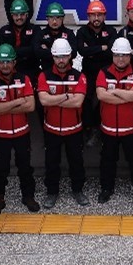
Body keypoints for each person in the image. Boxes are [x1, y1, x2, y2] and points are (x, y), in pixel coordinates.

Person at [0, 43, 38, 216]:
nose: (5, 65)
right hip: (1, 134)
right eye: (1, 61)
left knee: (25, 167)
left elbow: (30, 106)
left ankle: (28, 196)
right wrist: (17, 102)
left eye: (8, 61)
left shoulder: (24, 79)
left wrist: (5, 106)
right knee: (0, 168)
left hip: (22, 132)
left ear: (15, 62)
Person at [36, 38, 89, 208]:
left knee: (77, 162)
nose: (61, 60)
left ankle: (78, 190)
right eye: (58, 57)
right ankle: (52, 193)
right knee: (51, 163)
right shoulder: (44, 75)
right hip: (51, 129)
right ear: (52, 56)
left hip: (74, 129)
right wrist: (66, 96)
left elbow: (78, 102)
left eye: (64, 56)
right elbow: (43, 101)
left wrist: (54, 100)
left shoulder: (79, 76)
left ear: (70, 56)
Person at [96, 37, 133, 206]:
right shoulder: (103, 72)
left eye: (124, 55)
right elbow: (101, 95)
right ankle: (106, 189)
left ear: (130, 56)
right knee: (107, 162)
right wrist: (125, 94)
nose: (120, 59)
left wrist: (114, 92)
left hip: (131, 129)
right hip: (108, 129)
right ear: (112, 55)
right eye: (117, 55)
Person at [76, 0, 115, 141]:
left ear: (104, 16)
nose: (96, 18)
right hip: (88, 72)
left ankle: (97, 126)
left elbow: (111, 52)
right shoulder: (82, 31)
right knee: (85, 98)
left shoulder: (111, 31)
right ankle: (88, 127)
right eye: (93, 15)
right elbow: (82, 51)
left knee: (103, 99)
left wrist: (92, 50)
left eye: (99, 15)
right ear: (88, 16)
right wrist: (101, 47)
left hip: (106, 72)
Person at [0, 0, 41, 86]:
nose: (19, 17)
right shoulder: (3, 30)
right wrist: (25, 51)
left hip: (30, 68)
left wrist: (11, 51)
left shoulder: (35, 29)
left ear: (27, 15)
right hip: (8, 69)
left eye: (22, 14)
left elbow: (35, 51)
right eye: (16, 15)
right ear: (12, 15)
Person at [34, 1, 77, 73]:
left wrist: (48, 50)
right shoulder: (40, 34)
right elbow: (37, 52)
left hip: (67, 73)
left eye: (58, 17)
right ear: (47, 18)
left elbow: (74, 53)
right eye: (51, 17)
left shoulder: (69, 33)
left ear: (63, 18)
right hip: (46, 72)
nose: (54, 21)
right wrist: (63, 52)